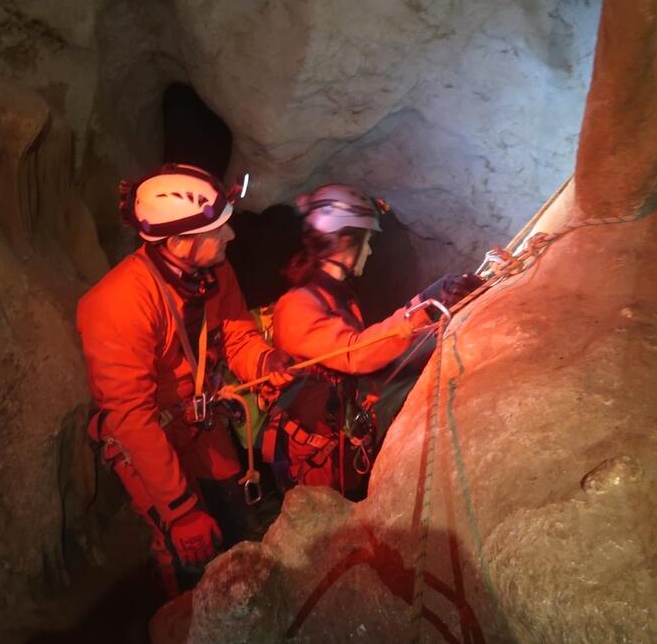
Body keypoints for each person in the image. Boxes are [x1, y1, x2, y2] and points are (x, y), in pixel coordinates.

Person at [76, 163, 293, 597]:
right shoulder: (119, 304)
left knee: (241, 532)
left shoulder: (215, 274)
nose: (231, 236)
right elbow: (131, 417)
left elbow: (237, 337)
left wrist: (265, 361)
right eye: (218, 230)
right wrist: (178, 511)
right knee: (192, 554)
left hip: (202, 424)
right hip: (148, 439)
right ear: (177, 242)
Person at [270, 184, 482, 499]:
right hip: (318, 463)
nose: (369, 251)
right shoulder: (297, 305)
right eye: (366, 241)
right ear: (344, 241)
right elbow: (355, 354)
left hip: (339, 431)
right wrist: (423, 305)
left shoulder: (332, 296)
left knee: (428, 355)